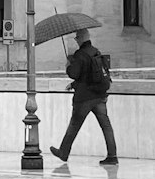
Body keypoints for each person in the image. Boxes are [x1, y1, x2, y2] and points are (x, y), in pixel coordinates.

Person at [49, 27, 118, 165]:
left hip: (85, 98)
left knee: (74, 125)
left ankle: (63, 152)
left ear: (80, 38)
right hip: (99, 96)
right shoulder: (96, 52)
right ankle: (112, 156)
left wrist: (68, 65)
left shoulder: (80, 54)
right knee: (106, 126)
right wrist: (73, 85)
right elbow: (90, 75)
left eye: (76, 38)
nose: (76, 40)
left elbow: (74, 73)